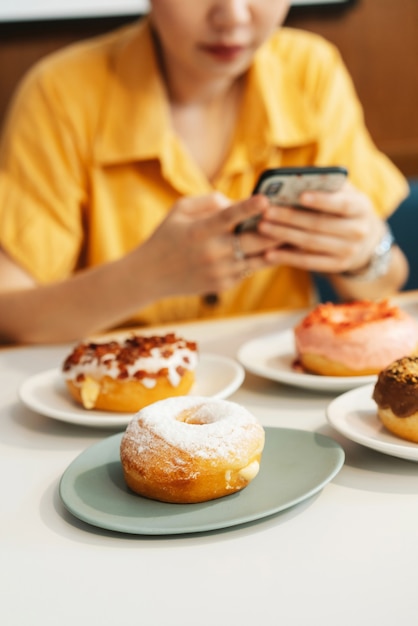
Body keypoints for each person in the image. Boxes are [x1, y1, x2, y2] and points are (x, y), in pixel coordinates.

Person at [0, 0, 410, 345]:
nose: (232, 16)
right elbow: (10, 316)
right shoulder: (61, 94)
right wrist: (143, 277)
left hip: (277, 385)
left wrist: (362, 253)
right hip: (116, 399)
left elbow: (387, 282)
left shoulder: (310, 70)